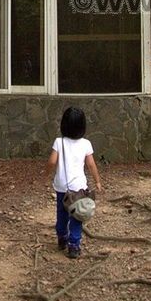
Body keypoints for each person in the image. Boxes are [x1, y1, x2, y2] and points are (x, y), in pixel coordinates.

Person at [46, 106, 102, 259]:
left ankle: (62, 237)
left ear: (63, 125)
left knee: (61, 212)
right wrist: (97, 181)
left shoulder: (59, 142)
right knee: (77, 216)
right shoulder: (86, 144)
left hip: (62, 186)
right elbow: (91, 165)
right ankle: (74, 245)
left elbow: (51, 161)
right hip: (79, 188)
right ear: (82, 126)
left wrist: (46, 173)